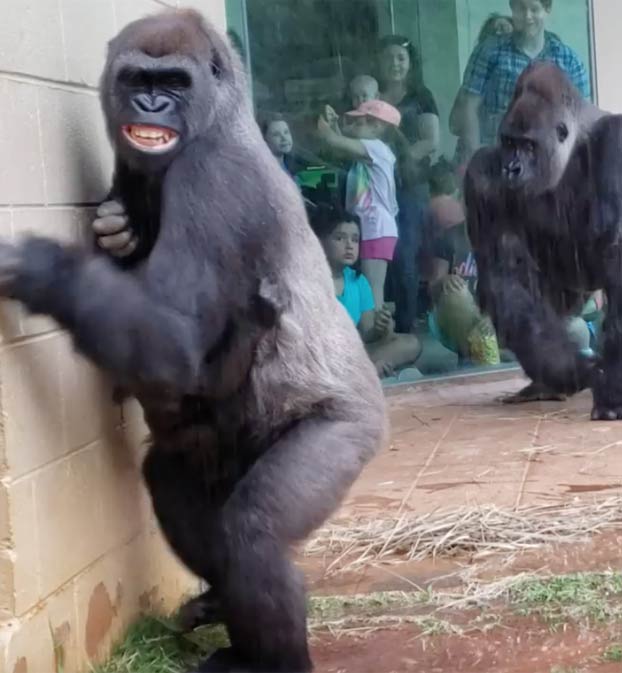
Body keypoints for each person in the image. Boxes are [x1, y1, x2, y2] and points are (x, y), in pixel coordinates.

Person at [450, 0, 590, 162]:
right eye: (521, 9)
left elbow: (583, 117)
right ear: (512, 8)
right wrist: (477, 159)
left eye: (534, 9)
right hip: (500, 158)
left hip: (548, 162)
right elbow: (469, 107)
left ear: (547, 9)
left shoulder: (568, 60)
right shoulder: (489, 52)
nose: (527, 16)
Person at [310, 203, 421, 378]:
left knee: (410, 343)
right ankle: (368, 372)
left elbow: (366, 334)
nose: (349, 246)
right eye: (339, 238)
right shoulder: (311, 282)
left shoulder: (358, 281)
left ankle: (365, 371)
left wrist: (379, 328)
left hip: (354, 355)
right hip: (324, 357)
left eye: (355, 239)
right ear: (320, 242)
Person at [376, 35, 440, 334]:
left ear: (410, 63)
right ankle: (377, 327)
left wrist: (398, 157)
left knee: (405, 253)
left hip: (410, 185)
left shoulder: (421, 95)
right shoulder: (371, 94)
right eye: (389, 57)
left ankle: (406, 325)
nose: (395, 63)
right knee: (377, 255)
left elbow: (431, 140)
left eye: (401, 58)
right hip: (375, 186)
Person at [316, 99, 402, 310]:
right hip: (374, 227)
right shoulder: (372, 151)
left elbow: (331, 140)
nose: (352, 126)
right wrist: (335, 124)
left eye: (358, 122)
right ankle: (372, 330)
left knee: (373, 288)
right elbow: (339, 145)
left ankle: (376, 334)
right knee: (369, 286)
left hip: (376, 226)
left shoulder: (375, 148)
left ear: (377, 126)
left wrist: (318, 114)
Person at [260, 113, 298, 179]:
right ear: (265, 140)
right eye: (276, 135)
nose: (284, 138)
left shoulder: (292, 164)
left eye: (286, 132)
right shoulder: (266, 172)